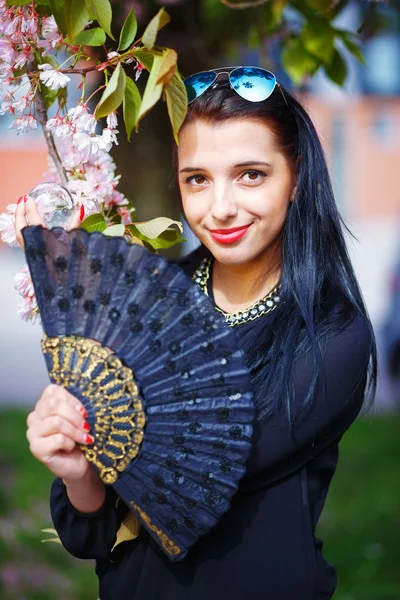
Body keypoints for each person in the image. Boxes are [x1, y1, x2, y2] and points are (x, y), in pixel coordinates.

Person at [18, 67, 376, 600]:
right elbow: (91, 531)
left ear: (296, 176)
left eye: (251, 174)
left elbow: (193, 476)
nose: (221, 207)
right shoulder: (152, 305)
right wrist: (76, 472)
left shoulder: (333, 333)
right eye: (197, 179)